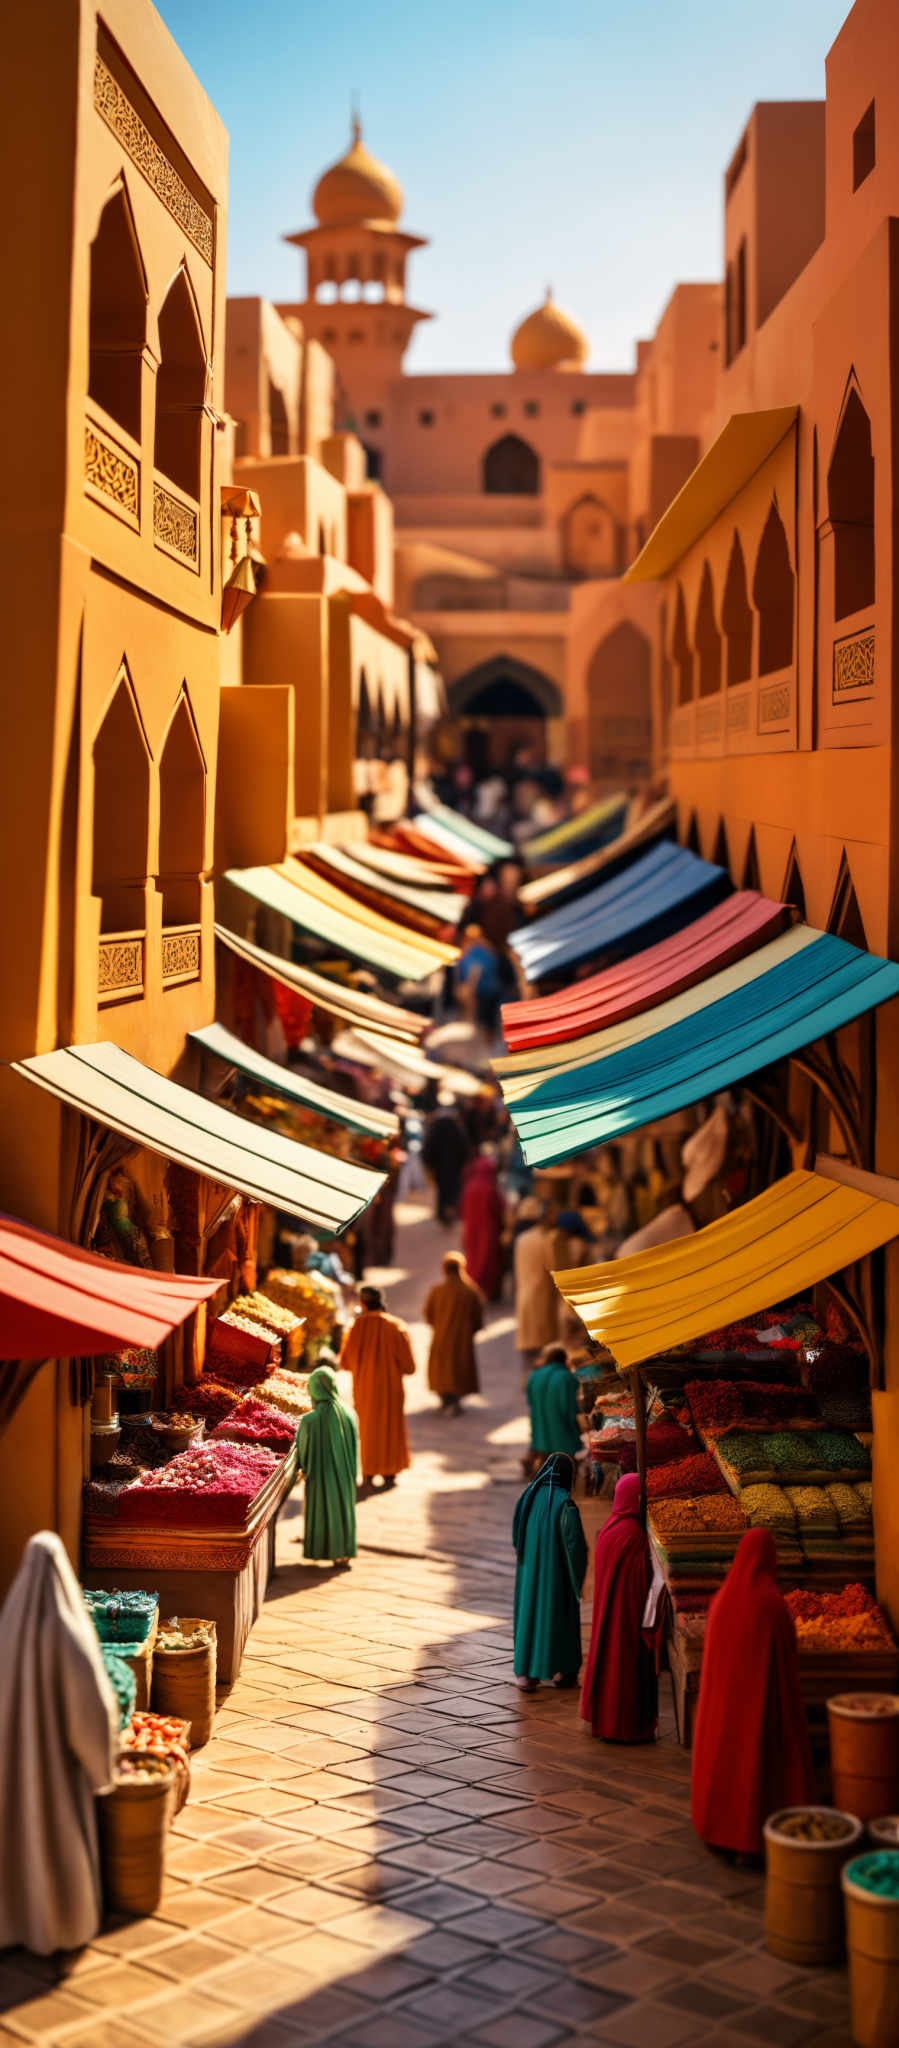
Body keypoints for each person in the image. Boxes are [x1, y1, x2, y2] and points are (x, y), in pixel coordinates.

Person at [0, 1532, 119, 1954]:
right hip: (54, 1767)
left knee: (15, 1838)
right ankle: (57, 1924)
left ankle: (13, 1921)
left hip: (12, 1763)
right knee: (54, 1840)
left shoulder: (8, 1626)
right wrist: (103, 1768)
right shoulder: (70, 1635)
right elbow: (93, 1712)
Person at [691, 1529, 816, 1855]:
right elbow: (786, 1663)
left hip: (724, 1710)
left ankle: (720, 1828)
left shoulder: (721, 1600)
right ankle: (754, 1837)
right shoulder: (772, 1605)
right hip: (759, 1708)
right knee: (757, 1765)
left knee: (725, 1761)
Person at [579, 1474, 660, 1743]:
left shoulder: (610, 1528)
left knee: (607, 1661)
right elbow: (642, 1581)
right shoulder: (634, 1535)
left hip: (608, 1613)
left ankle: (604, 1721)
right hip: (626, 1615)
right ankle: (623, 1727)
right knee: (624, 1668)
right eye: (641, 1497)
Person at [512, 1454, 588, 1693]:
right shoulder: (564, 1504)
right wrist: (578, 1580)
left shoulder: (527, 1497)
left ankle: (525, 1675)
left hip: (527, 1573)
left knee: (529, 1617)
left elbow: (516, 1537)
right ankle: (560, 1673)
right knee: (555, 1620)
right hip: (555, 1577)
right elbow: (575, 1547)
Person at [339, 1285, 416, 1487]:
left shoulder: (356, 1327)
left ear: (362, 1304)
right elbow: (409, 1367)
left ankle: (368, 1472)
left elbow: (345, 1363)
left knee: (368, 1430)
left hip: (364, 1391)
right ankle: (390, 1471)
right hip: (391, 1391)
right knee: (391, 1428)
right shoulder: (396, 1326)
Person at [294, 1356, 359, 1563]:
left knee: (324, 1511)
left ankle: (325, 1550)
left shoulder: (310, 1419)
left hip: (321, 1477)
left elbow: (302, 1452)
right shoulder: (349, 1413)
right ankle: (344, 1552)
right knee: (341, 1510)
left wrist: (303, 1469)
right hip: (346, 1475)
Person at [424, 1250, 483, 1413]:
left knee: (442, 1369)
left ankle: (445, 1398)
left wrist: (439, 1326)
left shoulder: (437, 1290)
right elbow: (478, 1317)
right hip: (462, 1340)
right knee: (459, 1368)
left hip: (441, 1337)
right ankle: (454, 1400)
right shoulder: (470, 1291)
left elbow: (428, 1314)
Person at [514, 1204, 563, 1382]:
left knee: (528, 1347)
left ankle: (529, 1382)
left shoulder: (521, 1240)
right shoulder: (547, 1240)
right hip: (542, 1299)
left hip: (524, 1296)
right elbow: (553, 1269)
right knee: (544, 1346)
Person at [526, 1342, 582, 1465]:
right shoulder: (566, 1377)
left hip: (540, 1436)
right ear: (564, 1359)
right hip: (562, 1438)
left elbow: (530, 1401)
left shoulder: (534, 1375)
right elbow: (569, 1408)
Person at [461, 1151, 505, 1299]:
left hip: (472, 1230)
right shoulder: (491, 1188)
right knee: (488, 1260)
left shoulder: (470, 1186)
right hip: (489, 1230)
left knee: (473, 1258)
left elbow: (462, 1209)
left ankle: (472, 1286)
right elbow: (499, 1209)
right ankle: (488, 1291)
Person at [422, 1094, 471, 1224]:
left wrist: (429, 1163)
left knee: (442, 1190)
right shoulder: (457, 1126)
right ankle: (450, 1211)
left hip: (440, 1166)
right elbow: (464, 1147)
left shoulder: (436, 1126)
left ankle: (443, 1214)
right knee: (453, 1189)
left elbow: (429, 1147)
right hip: (454, 1166)